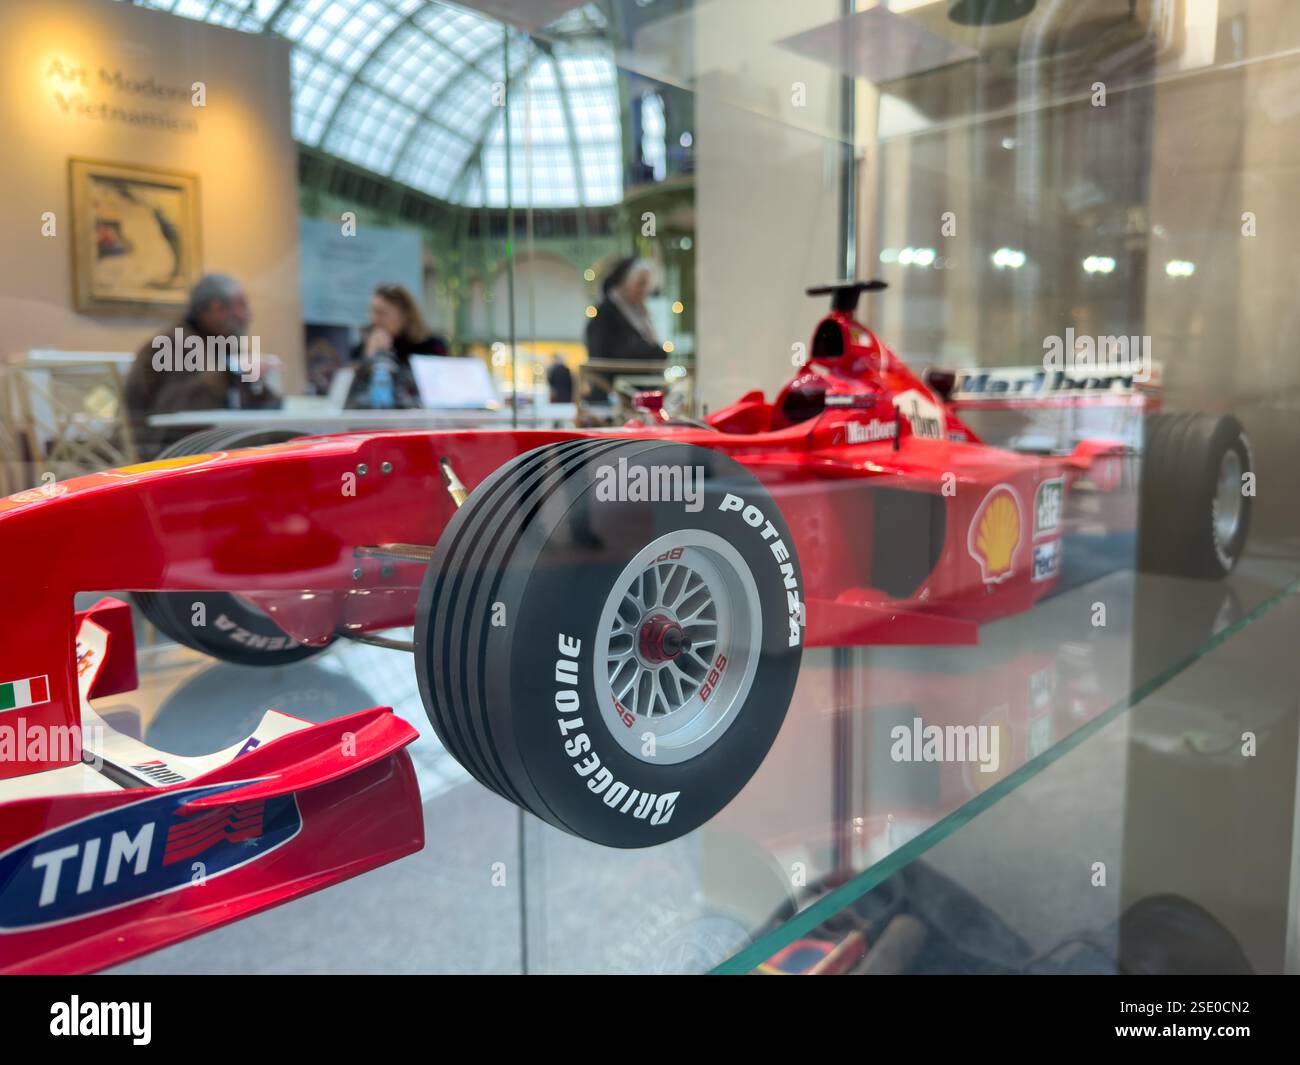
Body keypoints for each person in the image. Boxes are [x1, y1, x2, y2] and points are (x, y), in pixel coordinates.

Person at [125, 273, 279, 457]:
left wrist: (257, 384)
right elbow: (177, 411)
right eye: (241, 305)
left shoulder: (222, 342)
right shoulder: (173, 343)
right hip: (164, 451)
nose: (247, 316)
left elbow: (249, 402)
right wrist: (231, 371)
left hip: (202, 445)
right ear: (216, 308)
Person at [346, 283, 447, 409]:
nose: (374, 319)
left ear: (404, 315)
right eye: (372, 311)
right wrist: (369, 356)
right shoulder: (365, 345)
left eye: (381, 313)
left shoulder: (430, 345)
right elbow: (347, 390)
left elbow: (441, 388)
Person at [585, 258, 664, 362]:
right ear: (627, 282)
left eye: (647, 285)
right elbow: (604, 354)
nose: (644, 290)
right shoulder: (607, 312)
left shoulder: (638, 310)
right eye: (641, 284)